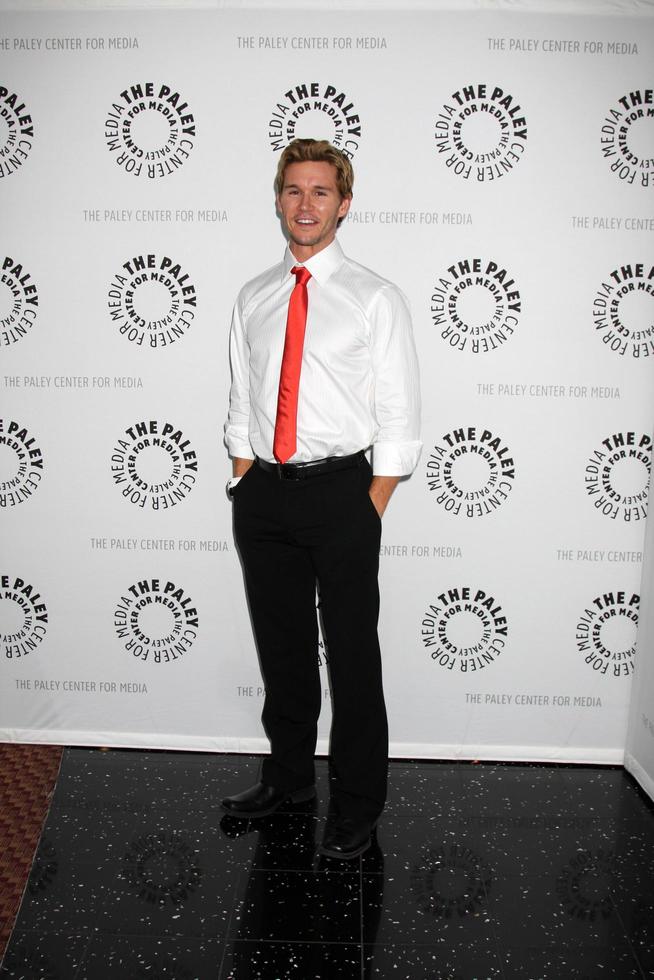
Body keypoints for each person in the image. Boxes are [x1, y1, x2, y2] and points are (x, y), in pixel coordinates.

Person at [222, 138, 421, 859]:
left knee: (352, 656)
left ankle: (359, 804)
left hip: (343, 493)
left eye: (322, 193)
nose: (306, 205)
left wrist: (372, 500)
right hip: (264, 496)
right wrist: (245, 475)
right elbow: (245, 399)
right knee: (283, 651)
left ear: (344, 203)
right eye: (294, 190)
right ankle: (289, 780)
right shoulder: (254, 295)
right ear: (277, 198)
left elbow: (400, 412)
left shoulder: (375, 297)